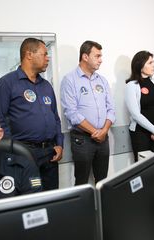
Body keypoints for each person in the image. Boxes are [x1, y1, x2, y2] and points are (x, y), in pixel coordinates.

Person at [0, 38, 63, 191]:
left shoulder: (46, 86)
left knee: (52, 197)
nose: (47, 58)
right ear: (29, 54)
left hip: (49, 153)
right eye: (44, 54)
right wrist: (13, 149)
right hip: (23, 152)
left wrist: (59, 144)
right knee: (30, 197)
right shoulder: (7, 83)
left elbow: (55, 117)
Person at [60, 40, 116, 185]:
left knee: (103, 181)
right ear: (85, 57)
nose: (101, 60)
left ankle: (102, 208)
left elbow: (111, 109)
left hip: (103, 138)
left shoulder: (102, 80)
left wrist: (104, 131)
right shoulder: (70, 80)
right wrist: (95, 132)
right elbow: (71, 113)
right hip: (82, 139)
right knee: (82, 181)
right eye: (97, 56)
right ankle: (82, 208)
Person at [125, 51, 154, 162]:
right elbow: (135, 114)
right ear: (140, 65)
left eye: (153, 62)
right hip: (141, 133)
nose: (153, 65)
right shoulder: (132, 85)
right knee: (143, 168)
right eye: (150, 63)